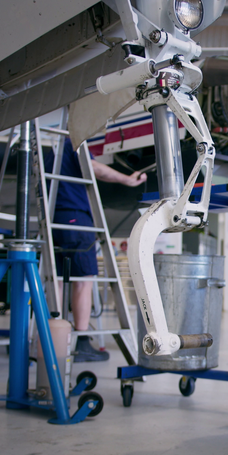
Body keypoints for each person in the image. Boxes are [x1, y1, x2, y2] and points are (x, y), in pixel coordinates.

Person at [50, 138, 146, 362]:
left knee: (55, 279)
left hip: (54, 217)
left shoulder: (50, 150)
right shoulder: (73, 141)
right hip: (76, 217)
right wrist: (127, 180)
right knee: (84, 279)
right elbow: (91, 167)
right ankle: (82, 343)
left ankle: (52, 340)